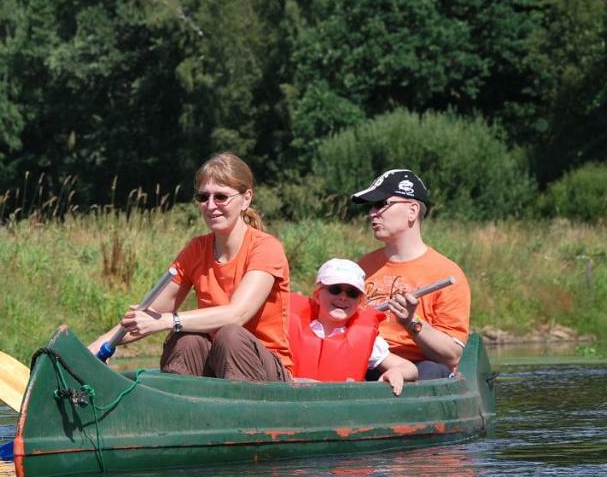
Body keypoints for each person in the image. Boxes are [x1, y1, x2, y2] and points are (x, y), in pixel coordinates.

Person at [89, 151, 292, 382]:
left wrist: (169, 321)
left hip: (267, 370)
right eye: (203, 197)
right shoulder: (196, 249)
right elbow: (149, 314)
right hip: (217, 362)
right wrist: (100, 345)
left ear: (246, 199)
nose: (211, 205)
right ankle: (183, 412)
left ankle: (242, 413)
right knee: (187, 339)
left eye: (221, 197)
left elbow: (237, 314)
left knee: (229, 335)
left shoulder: (266, 248)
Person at [351, 169, 471, 380]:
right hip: (367, 361)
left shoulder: (447, 273)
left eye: (381, 204)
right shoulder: (361, 268)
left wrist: (411, 323)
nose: (372, 213)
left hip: (422, 368)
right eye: (371, 206)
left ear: (412, 210)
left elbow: (451, 356)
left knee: (432, 371)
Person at [287, 258, 419, 395]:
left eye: (352, 293)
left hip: (336, 408)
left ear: (360, 302)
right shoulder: (287, 328)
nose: (343, 297)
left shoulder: (364, 338)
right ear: (317, 295)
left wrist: (396, 371)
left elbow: (410, 368)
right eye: (335, 289)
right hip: (289, 400)